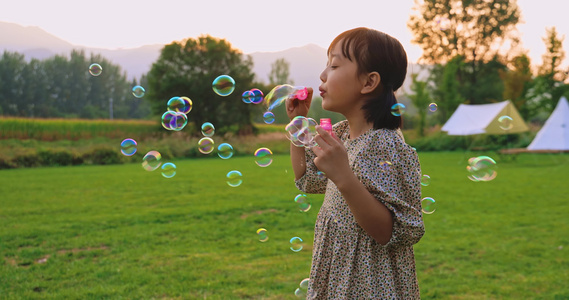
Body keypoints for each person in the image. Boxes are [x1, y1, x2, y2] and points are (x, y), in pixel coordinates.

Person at [285, 27, 424, 299]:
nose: (323, 75)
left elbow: (390, 231)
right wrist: (298, 129)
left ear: (369, 82)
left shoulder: (385, 144)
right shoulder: (342, 135)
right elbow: (306, 180)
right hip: (338, 277)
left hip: (369, 283)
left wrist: (344, 177)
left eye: (334, 65)